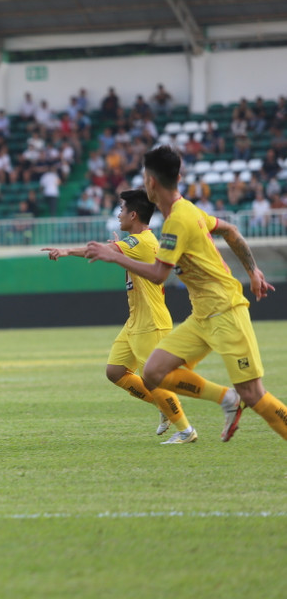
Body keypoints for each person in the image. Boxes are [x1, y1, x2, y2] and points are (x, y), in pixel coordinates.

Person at [85, 145, 287, 444]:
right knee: (153, 372)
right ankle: (226, 398)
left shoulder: (177, 222)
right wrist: (253, 270)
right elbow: (230, 230)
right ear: (177, 177)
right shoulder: (187, 210)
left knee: (254, 394)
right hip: (202, 315)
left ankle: (233, 400)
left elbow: (158, 275)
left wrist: (113, 256)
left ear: (151, 182)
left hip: (226, 310)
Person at [43, 189, 238, 443]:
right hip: (136, 321)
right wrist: (117, 251)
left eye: (121, 210)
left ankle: (186, 430)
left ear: (133, 215)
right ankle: (163, 407)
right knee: (115, 372)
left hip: (151, 322)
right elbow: (116, 252)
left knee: (154, 379)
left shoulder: (142, 241)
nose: (118, 214)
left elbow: (104, 249)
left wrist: (67, 251)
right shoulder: (136, 242)